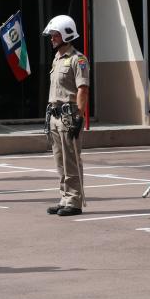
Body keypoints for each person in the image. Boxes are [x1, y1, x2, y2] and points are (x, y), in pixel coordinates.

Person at [42, 15, 89, 217]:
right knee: (60, 160)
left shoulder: (78, 59)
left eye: (55, 35)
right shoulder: (58, 58)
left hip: (69, 115)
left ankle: (74, 200)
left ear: (66, 34)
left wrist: (79, 116)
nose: (52, 38)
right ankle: (65, 197)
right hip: (54, 115)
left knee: (71, 160)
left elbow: (83, 89)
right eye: (51, 35)